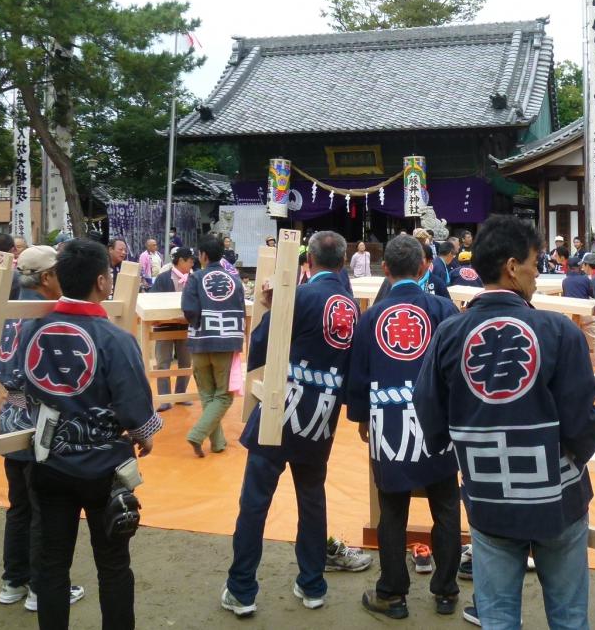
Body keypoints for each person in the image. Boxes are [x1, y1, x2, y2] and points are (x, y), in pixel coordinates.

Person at [416, 215, 595, 629]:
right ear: (513, 266)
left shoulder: (448, 333)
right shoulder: (557, 331)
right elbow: (578, 422)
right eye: (535, 262)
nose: (539, 273)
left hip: (487, 494)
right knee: (569, 617)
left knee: (497, 619)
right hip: (556, 497)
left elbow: (430, 415)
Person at [14, 238, 160, 629]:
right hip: (104, 467)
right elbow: (135, 407)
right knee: (113, 565)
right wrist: (146, 434)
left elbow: (19, 382)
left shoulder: (31, 329)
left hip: (49, 460)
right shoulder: (114, 338)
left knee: (52, 564)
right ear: (101, 280)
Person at [222, 231, 363, 617]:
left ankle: (242, 588)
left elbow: (262, 347)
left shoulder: (301, 295)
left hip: (281, 408)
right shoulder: (351, 305)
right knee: (313, 499)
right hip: (321, 413)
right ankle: (313, 583)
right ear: (342, 262)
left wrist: (271, 307)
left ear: (309, 261)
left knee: (255, 502)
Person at [347, 235, 462, 619]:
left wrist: (361, 417)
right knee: (445, 505)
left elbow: (359, 377)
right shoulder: (444, 310)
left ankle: (392, 594)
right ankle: (446, 591)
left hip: (388, 421)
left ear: (386, 270)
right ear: (424, 267)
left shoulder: (370, 317)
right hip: (438, 421)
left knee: (391, 508)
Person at [0, 245, 86, 613]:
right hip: (36, 421)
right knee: (42, 507)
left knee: (18, 505)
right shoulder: (43, 316)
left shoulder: (9, 311)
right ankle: (39, 586)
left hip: (9, 415)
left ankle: (12, 580)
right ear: (47, 276)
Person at [181, 237, 246, 456]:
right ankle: (198, 435)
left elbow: (188, 309)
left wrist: (199, 324)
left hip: (200, 341)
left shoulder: (196, 277)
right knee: (223, 395)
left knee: (208, 393)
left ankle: (217, 443)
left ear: (203, 256)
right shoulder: (234, 279)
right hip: (226, 341)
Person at [152, 247, 195, 410]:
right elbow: (153, 299)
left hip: (186, 326)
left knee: (186, 361)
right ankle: (164, 398)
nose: (192, 262)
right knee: (163, 362)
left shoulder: (194, 278)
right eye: (190, 260)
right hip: (165, 325)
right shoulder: (163, 278)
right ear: (181, 260)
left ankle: (181, 394)